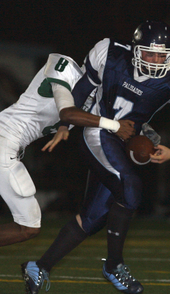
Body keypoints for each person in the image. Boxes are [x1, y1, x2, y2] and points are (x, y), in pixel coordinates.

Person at [21, 20, 170, 294]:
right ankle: (114, 265)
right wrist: (65, 125)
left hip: (123, 141)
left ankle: (39, 266)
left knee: (93, 218)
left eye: (161, 55)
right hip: (97, 130)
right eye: (149, 53)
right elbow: (82, 90)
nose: (155, 60)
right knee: (130, 189)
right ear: (135, 50)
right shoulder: (110, 53)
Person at [0, 53, 134, 247]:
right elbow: (68, 113)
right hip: (4, 142)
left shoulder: (92, 99)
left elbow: (109, 123)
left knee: (28, 227)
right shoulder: (66, 70)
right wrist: (115, 125)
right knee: (27, 226)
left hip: (8, 146)